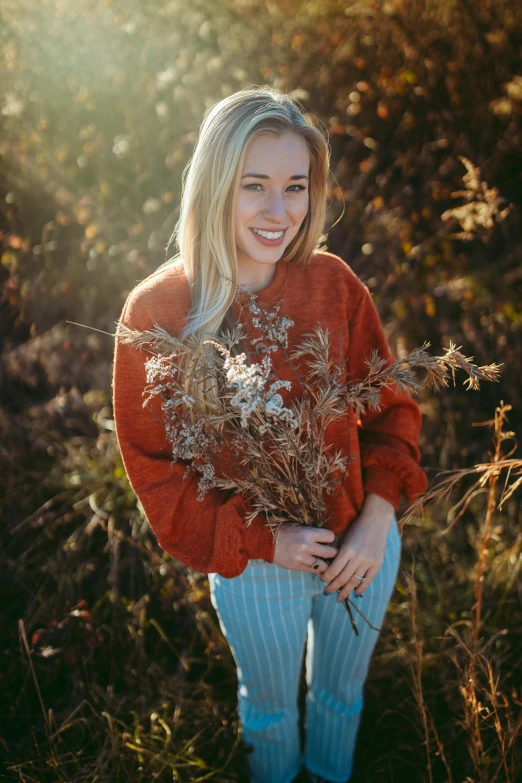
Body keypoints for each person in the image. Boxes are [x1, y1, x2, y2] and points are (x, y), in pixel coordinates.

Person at [112, 85, 427, 783]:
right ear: (216, 184)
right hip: (256, 569)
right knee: (269, 712)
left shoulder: (334, 284)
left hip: (362, 551)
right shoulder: (159, 310)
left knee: (342, 700)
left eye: (296, 186)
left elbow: (392, 414)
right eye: (255, 186)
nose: (280, 211)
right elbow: (156, 473)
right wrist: (264, 540)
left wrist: (378, 517)